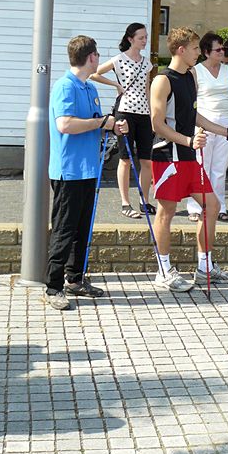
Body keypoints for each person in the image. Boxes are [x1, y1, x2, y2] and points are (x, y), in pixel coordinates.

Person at [150, 27, 228, 291]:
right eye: (194, 49)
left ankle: (205, 267)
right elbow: (157, 124)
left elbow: (194, 116)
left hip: (189, 156)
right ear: (181, 50)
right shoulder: (163, 80)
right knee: (166, 211)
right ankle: (163, 270)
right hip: (168, 156)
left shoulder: (190, 77)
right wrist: (188, 140)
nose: (197, 53)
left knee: (211, 205)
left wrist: (225, 131)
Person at [47, 35, 128, 310]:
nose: (99, 59)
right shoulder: (65, 86)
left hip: (88, 168)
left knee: (83, 228)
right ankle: (53, 286)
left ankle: (75, 279)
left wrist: (112, 126)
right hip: (68, 170)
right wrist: (102, 123)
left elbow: (95, 123)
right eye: (98, 55)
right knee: (64, 229)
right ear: (91, 57)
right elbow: (65, 124)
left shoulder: (89, 87)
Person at [90, 23, 153, 219]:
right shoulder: (119, 59)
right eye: (141, 37)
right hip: (125, 111)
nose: (144, 40)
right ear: (130, 39)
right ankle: (125, 203)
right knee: (125, 158)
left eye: (145, 37)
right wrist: (115, 84)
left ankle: (144, 201)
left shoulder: (147, 63)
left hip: (144, 113)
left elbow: (147, 89)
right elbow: (94, 73)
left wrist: (152, 114)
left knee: (147, 160)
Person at [186, 32, 228, 222]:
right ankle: (196, 206)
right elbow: (191, 102)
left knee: (220, 168)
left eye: (223, 49)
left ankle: (219, 206)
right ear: (206, 52)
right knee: (201, 166)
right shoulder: (196, 71)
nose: (222, 52)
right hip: (204, 124)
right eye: (217, 49)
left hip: (227, 122)